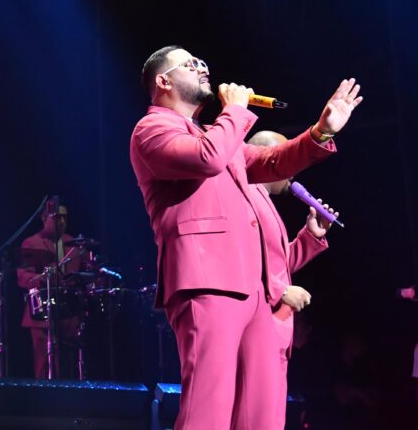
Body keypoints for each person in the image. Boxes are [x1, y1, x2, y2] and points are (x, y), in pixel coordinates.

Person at [129, 45, 361, 430]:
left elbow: (273, 162)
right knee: (209, 409)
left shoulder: (217, 135)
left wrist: (321, 131)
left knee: (261, 412)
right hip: (206, 281)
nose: (202, 67)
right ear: (164, 81)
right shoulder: (152, 129)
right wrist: (235, 110)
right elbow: (207, 159)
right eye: (190, 64)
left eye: (203, 61)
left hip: (253, 290)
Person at [248, 129, 338, 420]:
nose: (292, 170)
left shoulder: (262, 201)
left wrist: (310, 237)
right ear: (267, 158)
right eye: (286, 158)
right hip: (260, 328)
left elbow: (274, 264)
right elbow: (238, 264)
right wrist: (280, 291)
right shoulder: (246, 198)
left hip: (274, 331)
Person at [16, 202, 85, 379]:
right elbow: (23, 276)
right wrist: (41, 278)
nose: (62, 222)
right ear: (43, 218)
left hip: (68, 313)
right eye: (57, 217)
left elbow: (83, 274)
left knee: (68, 363)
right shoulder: (31, 243)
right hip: (42, 312)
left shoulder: (74, 244)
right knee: (44, 364)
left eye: (64, 218)